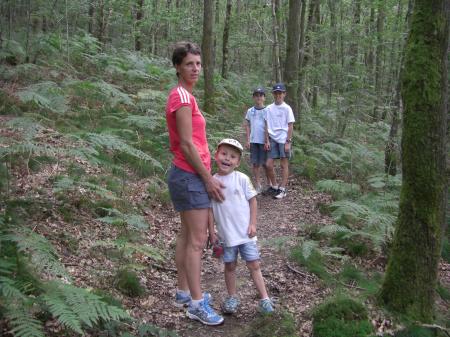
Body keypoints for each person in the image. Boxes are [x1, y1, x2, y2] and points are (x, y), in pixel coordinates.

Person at [165, 41, 224, 326]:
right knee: (198, 240)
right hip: (189, 175)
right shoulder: (182, 98)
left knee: (187, 236)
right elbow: (187, 144)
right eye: (189, 64)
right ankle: (197, 305)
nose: (195, 69)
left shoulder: (185, 95)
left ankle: (183, 292)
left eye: (198, 64)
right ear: (178, 67)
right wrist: (207, 178)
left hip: (185, 173)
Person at [208, 138, 274, 315]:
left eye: (233, 156)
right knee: (230, 266)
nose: (227, 159)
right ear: (216, 155)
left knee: (254, 265)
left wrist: (253, 223)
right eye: (224, 154)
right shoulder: (212, 182)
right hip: (226, 235)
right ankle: (232, 297)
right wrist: (211, 231)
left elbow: (253, 201)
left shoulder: (242, 179)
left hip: (245, 234)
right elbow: (209, 210)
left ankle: (264, 298)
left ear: (237, 162)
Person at [264, 83, 295, 199]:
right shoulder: (268, 108)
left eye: (280, 93)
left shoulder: (287, 108)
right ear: (273, 94)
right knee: (268, 164)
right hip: (272, 138)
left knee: (283, 164)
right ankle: (275, 186)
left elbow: (290, 125)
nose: (278, 95)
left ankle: (283, 189)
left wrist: (288, 141)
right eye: (276, 93)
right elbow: (266, 124)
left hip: (283, 139)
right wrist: (266, 140)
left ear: (284, 94)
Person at [244, 87, 274, 194]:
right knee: (255, 164)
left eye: (261, 95)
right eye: (256, 95)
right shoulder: (250, 111)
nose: (259, 97)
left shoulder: (267, 110)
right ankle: (258, 184)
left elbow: (267, 125)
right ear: (253, 97)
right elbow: (247, 125)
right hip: (253, 141)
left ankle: (269, 184)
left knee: (266, 164)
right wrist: (247, 140)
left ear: (264, 98)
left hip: (264, 141)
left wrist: (267, 140)